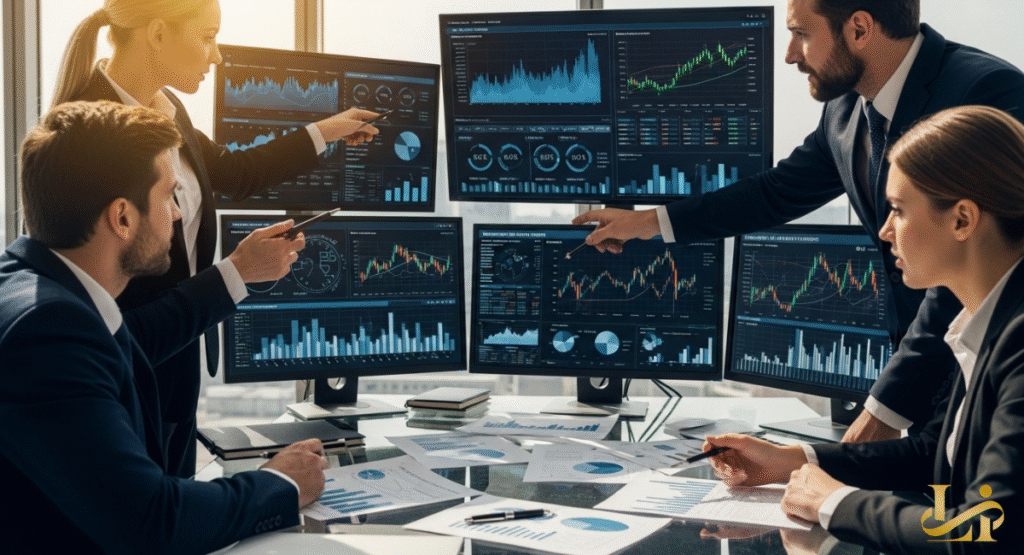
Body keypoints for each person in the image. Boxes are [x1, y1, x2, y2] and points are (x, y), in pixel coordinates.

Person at [574, 0, 1024, 443]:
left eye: (801, 34)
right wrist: (648, 223)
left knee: (969, 515)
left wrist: (881, 411)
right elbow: (776, 192)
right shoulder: (846, 110)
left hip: (992, 378)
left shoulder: (986, 94)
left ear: (860, 28)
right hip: (925, 387)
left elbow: (966, 277)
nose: (789, 54)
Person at [52, 0, 382, 478]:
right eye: (206, 38)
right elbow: (111, 328)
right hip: (127, 385)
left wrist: (326, 131)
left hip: (174, 373)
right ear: (159, 33)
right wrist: (237, 273)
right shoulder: (86, 135)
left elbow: (234, 172)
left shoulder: (166, 110)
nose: (218, 56)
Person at [0, 100, 328, 554]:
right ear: (122, 217)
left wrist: (236, 273)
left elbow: (132, 344)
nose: (177, 214)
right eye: (169, 195)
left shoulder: (38, 290)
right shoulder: (48, 330)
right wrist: (279, 483)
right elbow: (151, 522)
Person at [702, 104, 1024, 553]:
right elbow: (935, 452)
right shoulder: (987, 322)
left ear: (962, 220)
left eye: (898, 210)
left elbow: (987, 531)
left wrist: (834, 502)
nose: (885, 230)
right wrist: (790, 460)